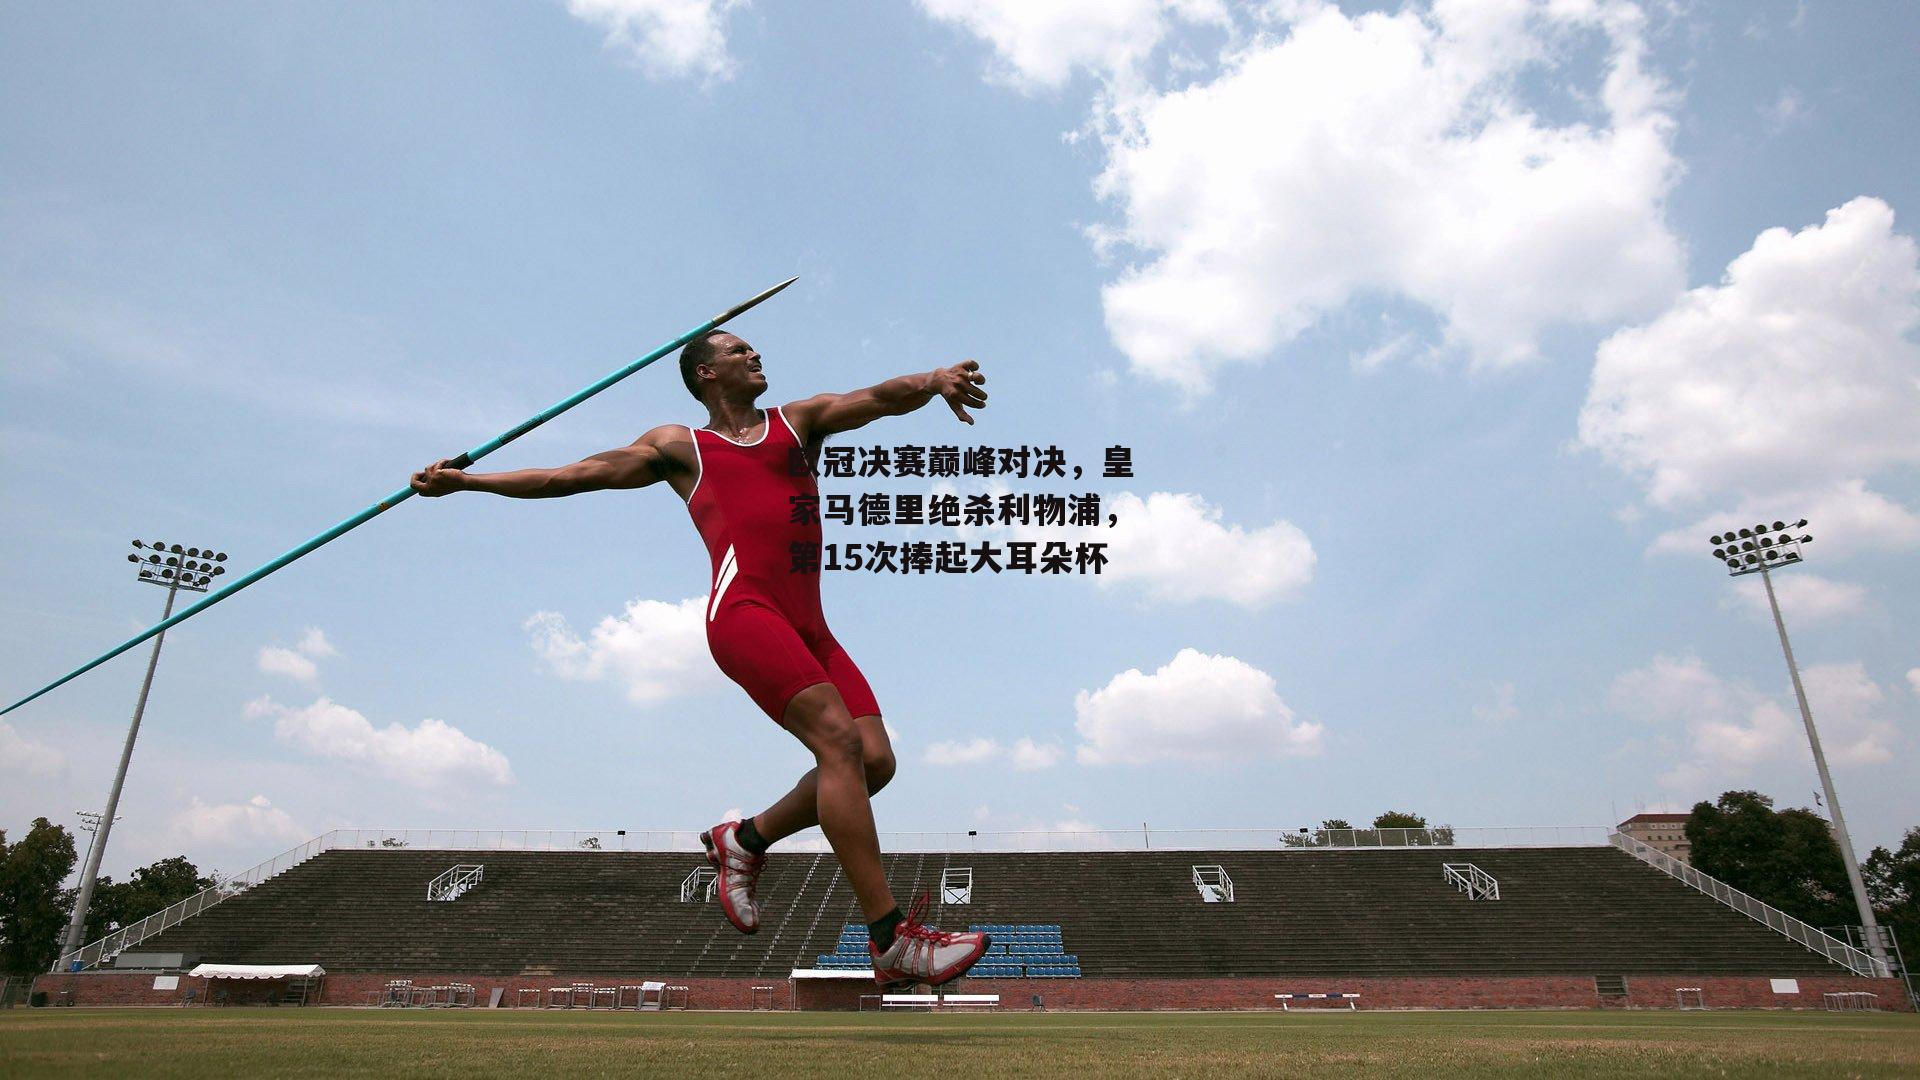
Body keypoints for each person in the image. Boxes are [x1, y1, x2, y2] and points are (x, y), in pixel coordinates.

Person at [410, 329, 991, 987]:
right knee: (838, 741)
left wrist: (935, 378)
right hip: (745, 613)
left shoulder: (796, 423)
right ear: (705, 372)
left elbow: (878, 398)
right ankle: (889, 938)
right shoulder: (680, 446)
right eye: (739, 350)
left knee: (874, 761)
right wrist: (469, 482)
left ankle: (743, 841)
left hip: (812, 627)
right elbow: (572, 476)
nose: (756, 353)